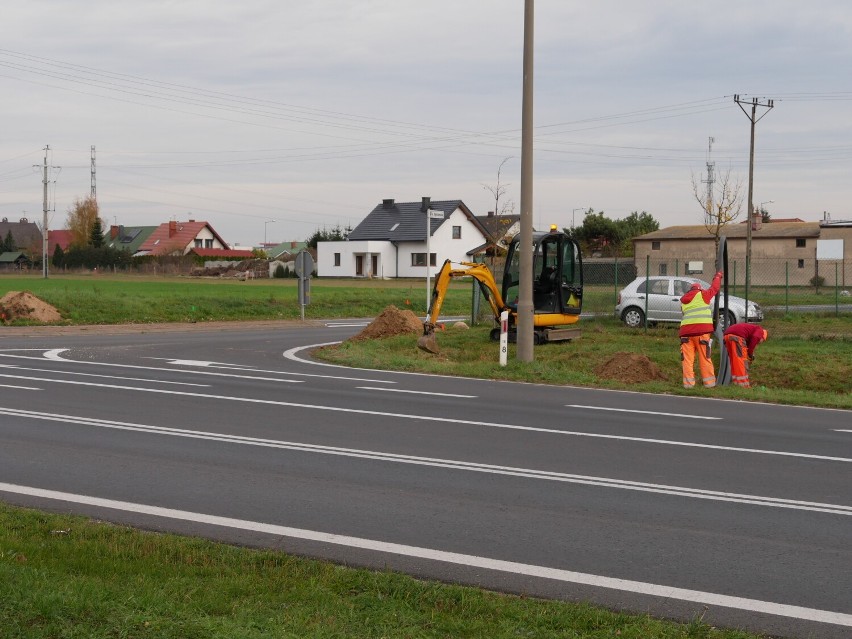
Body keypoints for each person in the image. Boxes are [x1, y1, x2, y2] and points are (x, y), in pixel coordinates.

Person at [678, 271, 722, 389]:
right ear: (699, 289)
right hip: (702, 333)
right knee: (705, 358)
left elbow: (684, 314)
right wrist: (717, 276)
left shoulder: (683, 301)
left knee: (687, 360)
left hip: (686, 334)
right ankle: (709, 384)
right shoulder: (703, 294)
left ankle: (688, 385)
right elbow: (715, 288)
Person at [723, 323, 768, 388]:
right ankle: (744, 385)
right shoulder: (760, 331)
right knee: (742, 361)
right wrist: (750, 354)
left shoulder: (751, 331)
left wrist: (750, 354)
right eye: (762, 341)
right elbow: (755, 338)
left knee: (734, 361)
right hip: (737, 337)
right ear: (763, 337)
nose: (759, 343)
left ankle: (736, 384)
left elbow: (747, 345)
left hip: (727, 337)